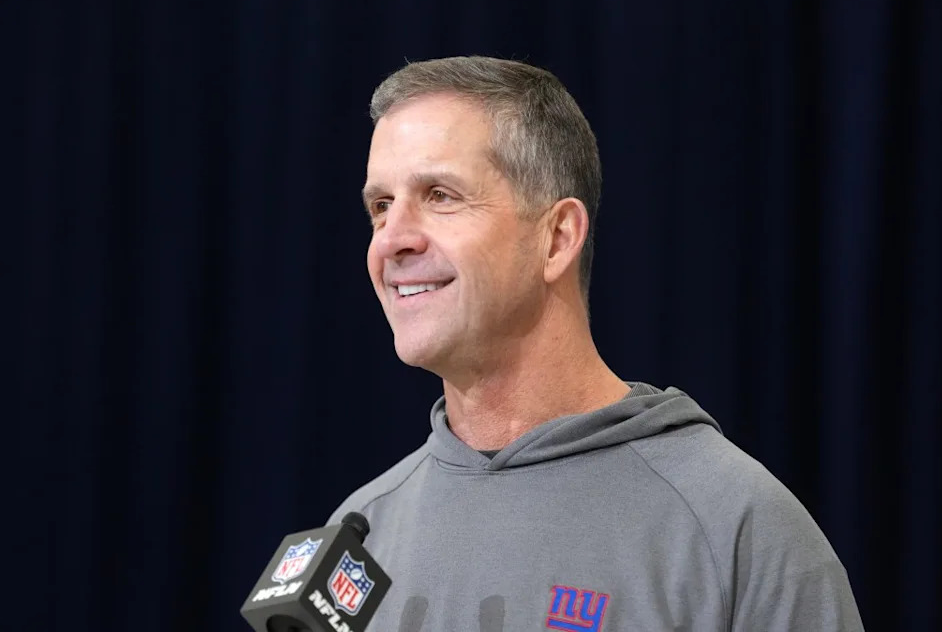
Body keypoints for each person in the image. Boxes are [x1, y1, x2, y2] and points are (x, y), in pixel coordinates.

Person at [328, 56, 863, 631]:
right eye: (380, 207)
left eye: (440, 195)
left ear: (557, 238)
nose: (393, 240)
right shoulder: (357, 536)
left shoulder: (736, 528)